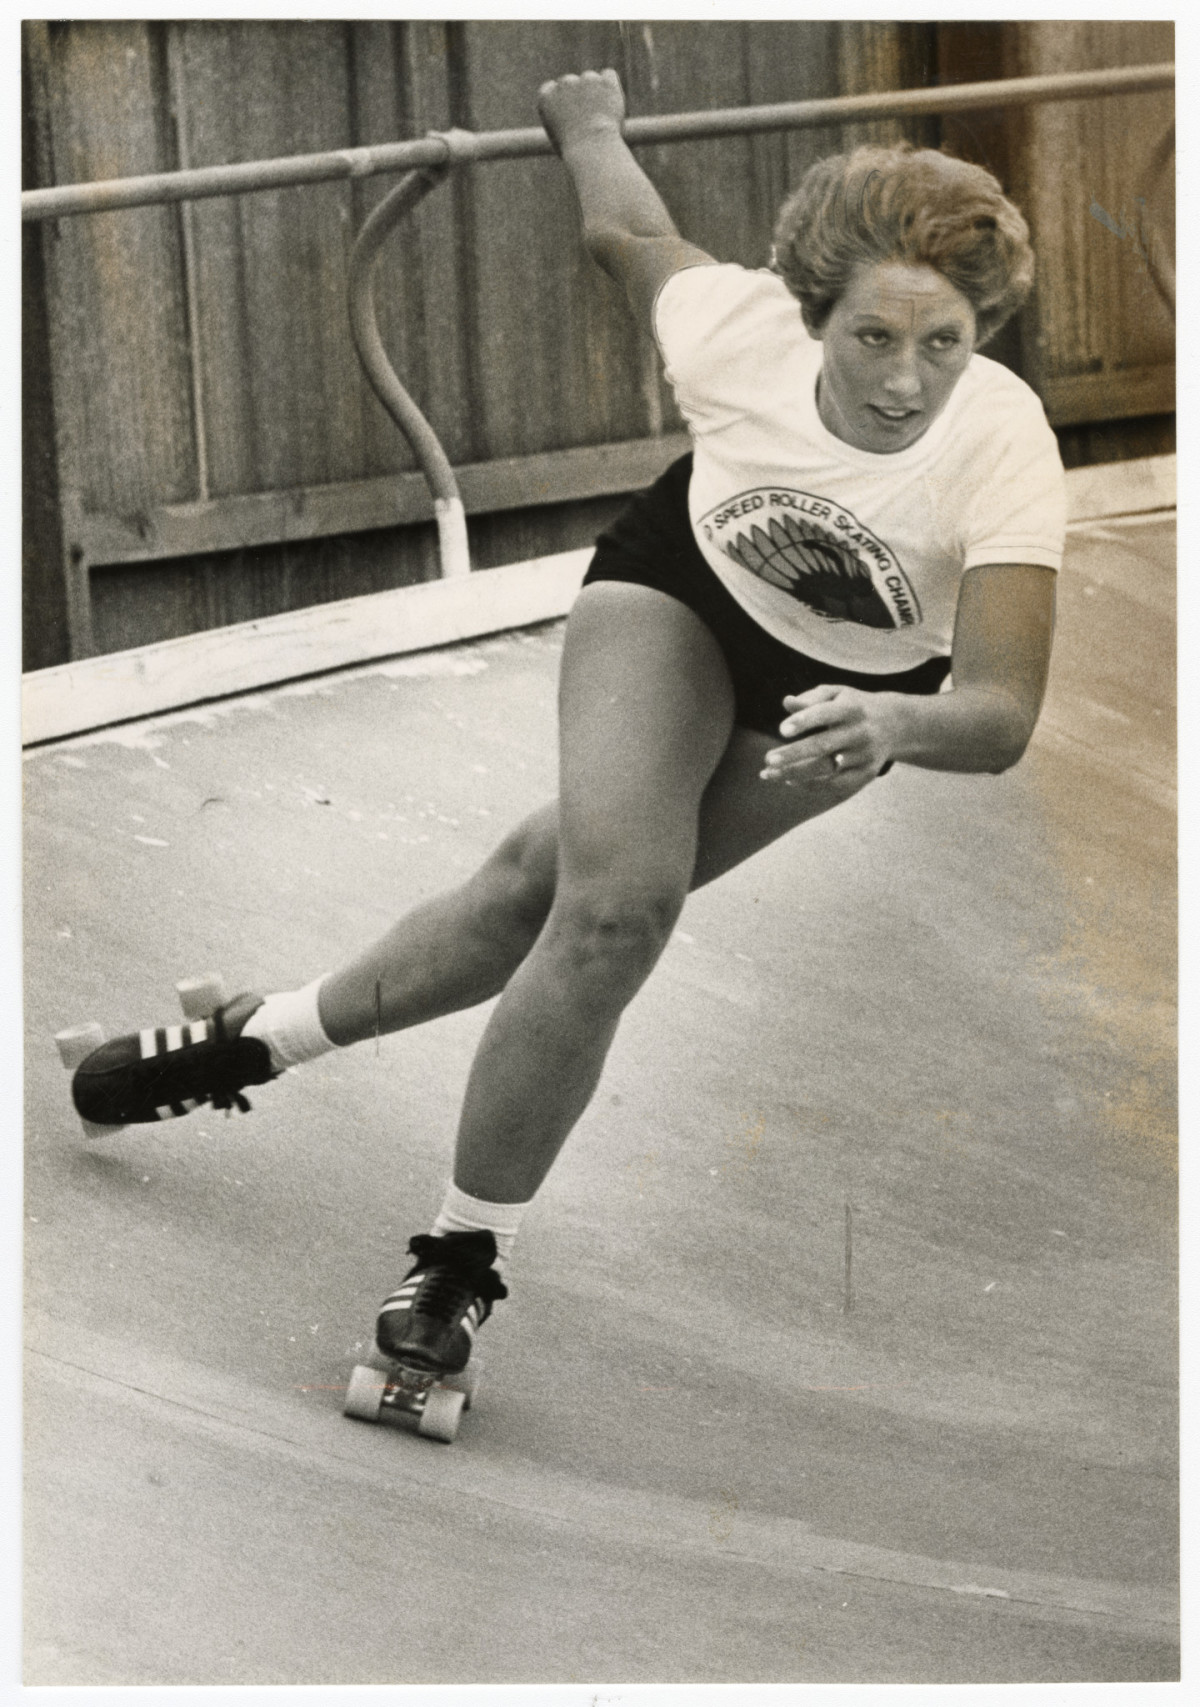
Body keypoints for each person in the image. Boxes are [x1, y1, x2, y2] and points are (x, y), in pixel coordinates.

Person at [69, 69, 1065, 1384]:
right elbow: (629, 236)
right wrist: (588, 125)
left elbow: (996, 714)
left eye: (945, 344)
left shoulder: (1004, 445)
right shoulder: (737, 336)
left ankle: (254, 1036)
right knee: (612, 914)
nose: (904, 382)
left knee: (548, 887)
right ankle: (458, 1264)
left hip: (855, 704)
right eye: (874, 338)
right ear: (813, 314)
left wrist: (891, 726)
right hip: (678, 598)